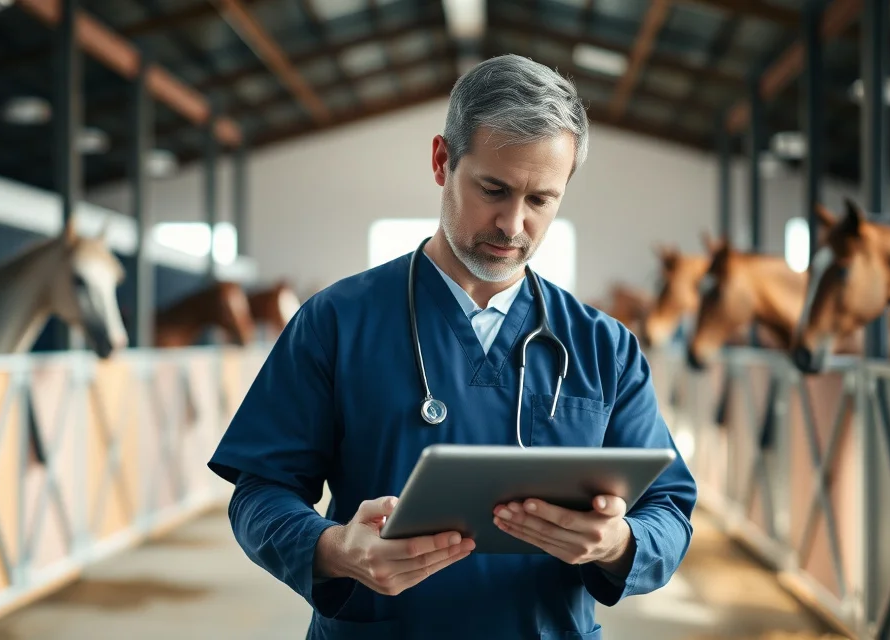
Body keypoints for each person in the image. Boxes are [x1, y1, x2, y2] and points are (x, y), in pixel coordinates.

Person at [207, 54, 697, 639]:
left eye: (541, 200)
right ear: (442, 161)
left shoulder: (603, 347)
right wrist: (335, 548)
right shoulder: (335, 322)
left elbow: (668, 511)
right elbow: (260, 493)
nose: (513, 225)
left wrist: (621, 542)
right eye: (493, 188)